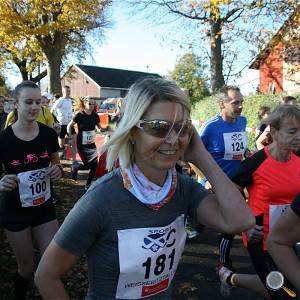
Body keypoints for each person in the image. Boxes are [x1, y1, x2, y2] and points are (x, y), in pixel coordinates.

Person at [35, 77, 255, 299]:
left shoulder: (183, 189)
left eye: (182, 128)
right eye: (158, 128)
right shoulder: (101, 200)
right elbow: (46, 275)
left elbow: (241, 222)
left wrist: (201, 156)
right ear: (132, 131)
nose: (173, 139)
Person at [217, 105, 300, 299]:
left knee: (286, 287)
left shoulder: (298, 158)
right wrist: (245, 225)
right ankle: (231, 278)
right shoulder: (257, 161)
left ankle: (230, 277)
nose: (298, 136)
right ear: (275, 132)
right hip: (261, 238)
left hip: (290, 238)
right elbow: (230, 192)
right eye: (292, 131)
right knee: (282, 291)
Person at [0, 81, 63, 299]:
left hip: (43, 207)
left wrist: (57, 170)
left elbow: (56, 162)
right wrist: (1, 182)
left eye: (38, 102)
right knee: (27, 269)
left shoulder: (48, 134)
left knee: (50, 264)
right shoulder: (4, 139)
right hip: (15, 209)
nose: (34, 107)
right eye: (28, 102)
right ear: (15, 104)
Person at [198, 85, 247, 296]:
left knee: (229, 225)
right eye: (235, 102)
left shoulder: (243, 122)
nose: (240, 107)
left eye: (241, 102)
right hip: (217, 183)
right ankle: (194, 221)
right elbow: (194, 154)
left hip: (237, 183)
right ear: (222, 104)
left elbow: (239, 149)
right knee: (217, 223)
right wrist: (206, 178)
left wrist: (248, 153)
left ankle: (223, 262)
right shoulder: (211, 127)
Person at [267, 193, 300, 291]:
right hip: (263, 234)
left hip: (288, 233)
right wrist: (249, 225)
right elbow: (277, 242)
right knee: (281, 288)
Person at [67, 96, 101, 190]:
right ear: (85, 103)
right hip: (82, 144)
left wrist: (101, 129)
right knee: (87, 165)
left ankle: (88, 184)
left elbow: (98, 126)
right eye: (89, 103)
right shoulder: (79, 115)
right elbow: (70, 125)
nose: (91, 105)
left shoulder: (95, 115)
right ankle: (76, 167)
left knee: (94, 164)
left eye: (93, 104)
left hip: (91, 144)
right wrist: (70, 136)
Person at [50, 85, 73, 151]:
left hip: (69, 123)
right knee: (61, 138)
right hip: (62, 122)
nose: (68, 93)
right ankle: (62, 152)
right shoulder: (60, 100)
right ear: (63, 92)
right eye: (67, 91)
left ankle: (69, 153)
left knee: (71, 138)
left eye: (69, 91)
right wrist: (55, 121)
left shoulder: (70, 100)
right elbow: (52, 110)